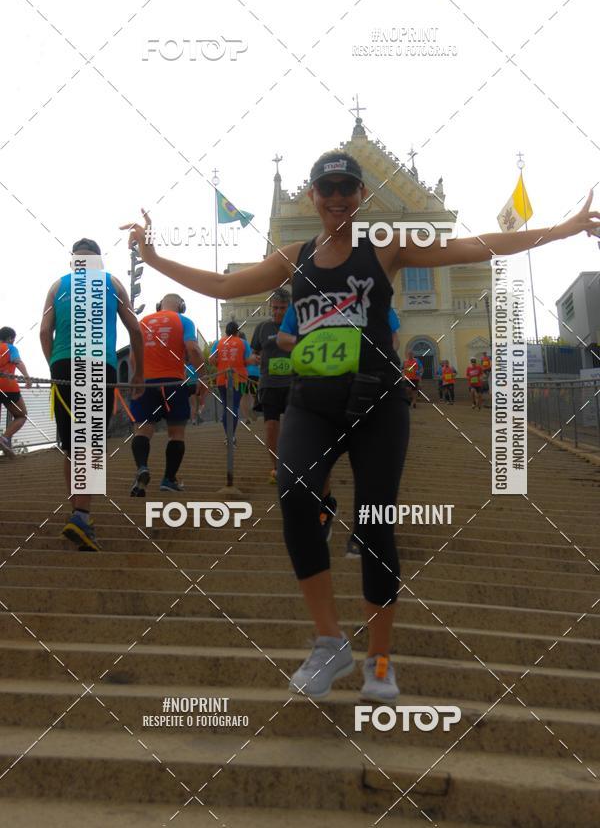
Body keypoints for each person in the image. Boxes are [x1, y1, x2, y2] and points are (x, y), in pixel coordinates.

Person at [123, 164, 600, 703]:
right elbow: (225, 284)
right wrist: (155, 257)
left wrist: (562, 229)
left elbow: (476, 246)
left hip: (377, 399)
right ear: (312, 195)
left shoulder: (386, 245)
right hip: (311, 400)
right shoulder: (294, 257)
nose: (337, 198)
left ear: (360, 194)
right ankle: (330, 642)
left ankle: (379, 659)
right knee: (295, 494)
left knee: (375, 525)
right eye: (326, 189)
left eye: (346, 188)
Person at [39, 238, 144, 550]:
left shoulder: (58, 286)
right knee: (91, 441)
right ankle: (82, 517)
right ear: (99, 260)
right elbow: (135, 330)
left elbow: (45, 331)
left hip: (63, 364)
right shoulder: (111, 282)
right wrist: (139, 371)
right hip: (99, 364)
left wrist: (55, 363)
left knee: (73, 443)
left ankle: (78, 512)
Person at [277, 302, 401, 555]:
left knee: (371, 467)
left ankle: (364, 530)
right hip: (316, 390)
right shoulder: (305, 297)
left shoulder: (373, 293)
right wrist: (314, 346)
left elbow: (393, 338)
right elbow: (283, 338)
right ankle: (324, 508)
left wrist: (369, 355)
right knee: (314, 461)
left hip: (368, 388)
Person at [130, 294, 205, 495]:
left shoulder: (143, 322)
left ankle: (142, 468)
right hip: (173, 382)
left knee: (142, 431)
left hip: (146, 382)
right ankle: (168, 479)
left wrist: (138, 378)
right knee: (176, 434)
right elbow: (193, 350)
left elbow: (132, 356)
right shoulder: (184, 321)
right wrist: (204, 378)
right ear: (182, 306)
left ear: (158, 305)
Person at [251, 288, 293, 482]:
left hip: (294, 384)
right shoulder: (262, 328)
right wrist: (255, 358)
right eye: (275, 308)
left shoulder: (297, 326)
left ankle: (296, 464)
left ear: (289, 307)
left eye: (282, 308)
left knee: (295, 427)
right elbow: (253, 353)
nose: (278, 312)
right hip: (269, 384)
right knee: (271, 427)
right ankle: (275, 467)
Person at [210, 322, 252, 441]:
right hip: (240, 379)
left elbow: (211, 359)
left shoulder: (218, 343)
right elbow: (248, 360)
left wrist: (220, 364)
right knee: (234, 406)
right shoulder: (243, 343)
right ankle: (231, 435)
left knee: (226, 407)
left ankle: (228, 436)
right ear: (237, 332)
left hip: (221, 379)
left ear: (226, 332)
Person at [0, 327, 32, 457]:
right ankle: (4, 438)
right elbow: (18, 362)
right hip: (8, 387)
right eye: (13, 339)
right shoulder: (10, 348)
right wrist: (27, 377)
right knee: (21, 415)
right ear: (9, 338)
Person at [238, 331, 259, 424]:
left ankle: (247, 417)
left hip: (243, 374)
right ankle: (252, 407)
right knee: (254, 394)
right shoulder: (249, 347)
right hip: (255, 373)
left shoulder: (238, 346)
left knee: (243, 396)